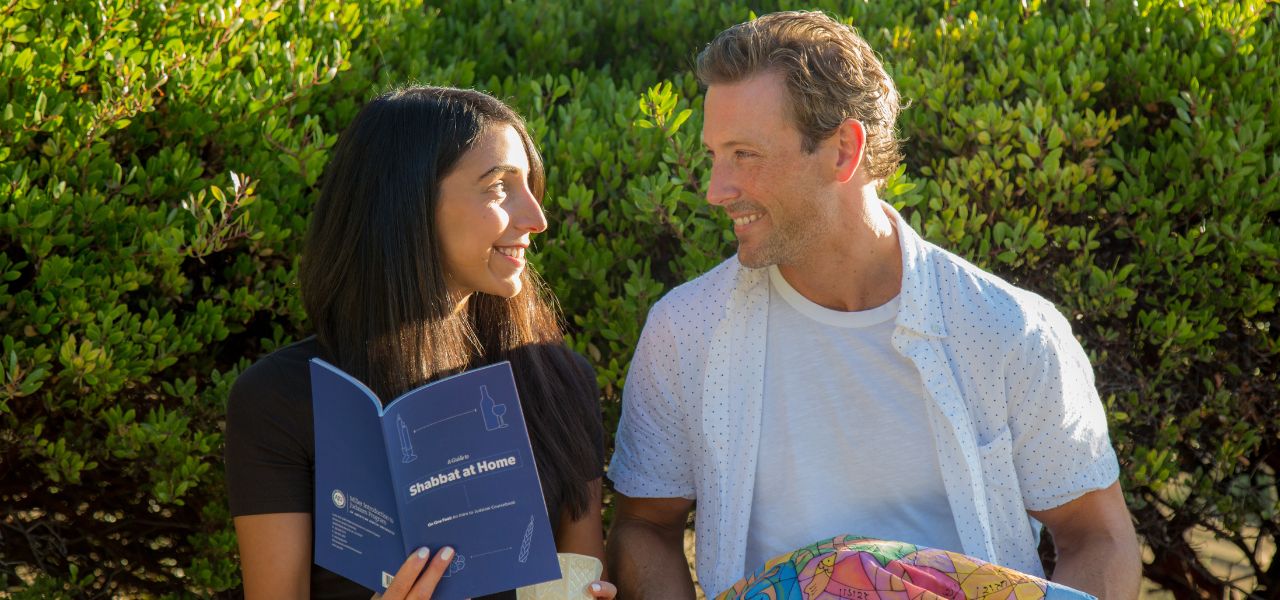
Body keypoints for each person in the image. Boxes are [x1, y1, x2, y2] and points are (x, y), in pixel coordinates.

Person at [606, 11, 1141, 600]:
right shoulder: (686, 330)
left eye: (745, 155)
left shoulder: (1008, 329)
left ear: (842, 150)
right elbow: (644, 524)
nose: (716, 189)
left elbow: (1098, 538)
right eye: (714, 154)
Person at [225, 86, 617, 600]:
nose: (535, 219)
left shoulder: (556, 379)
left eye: (531, 186)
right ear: (407, 202)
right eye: (501, 186)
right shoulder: (282, 397)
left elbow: (578, 569)